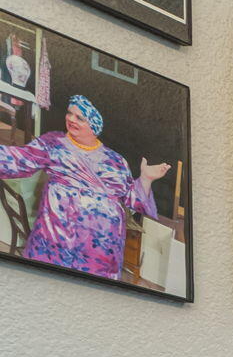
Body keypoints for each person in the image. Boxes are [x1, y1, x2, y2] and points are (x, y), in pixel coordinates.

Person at [0, 94, 168, 281]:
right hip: (57, 245)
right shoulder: (53, 144)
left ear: (95, 125)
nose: (70, 119)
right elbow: (16, 159)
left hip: (101, 255)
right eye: (69, 113)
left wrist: (146, 178)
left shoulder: (116, 160)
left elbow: (132, 198)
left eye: (79, 117)